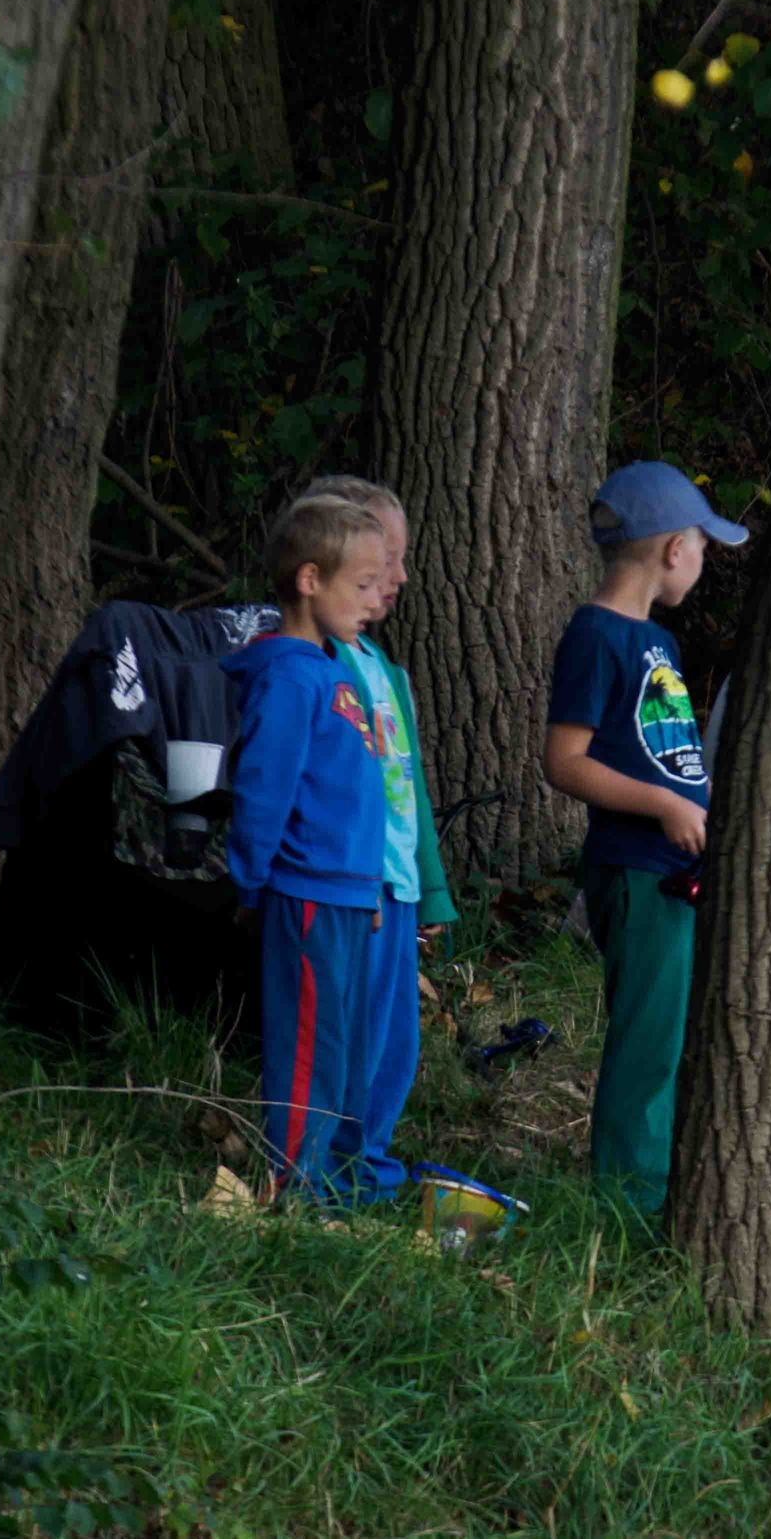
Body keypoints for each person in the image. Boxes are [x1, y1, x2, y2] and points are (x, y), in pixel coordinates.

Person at [543, 460, 745, 1218]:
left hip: (672, 871)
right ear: (673, 549)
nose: (704, 558)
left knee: (672, 1034)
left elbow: (668, 753)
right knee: (647, 1043)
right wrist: (664, 805)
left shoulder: (658, 640)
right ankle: (626, 1208)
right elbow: (565, 760)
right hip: (636, 873)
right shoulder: (597, 635)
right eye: (703, 544)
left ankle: (658, 1183)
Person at [219, 495, 394, 1202]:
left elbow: (352, 796)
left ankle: (331, 1182)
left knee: (344, 1047)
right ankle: (293, 1187)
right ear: (309, 579)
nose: (376, 600)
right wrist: (250, 882)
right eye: (363, 584)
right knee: (309, 1049)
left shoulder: (333, 669)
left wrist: (371, 886)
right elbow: (265, 789)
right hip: (307, 893)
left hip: (350, 894)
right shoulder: (290, 677)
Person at [293, 474, 459, 1200]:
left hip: (397, 887)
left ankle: (368, 1167)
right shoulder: (313, 663)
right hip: (347, 884)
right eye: (385, 559)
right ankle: (325, 1173)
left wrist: (433, 890)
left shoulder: (385, 669)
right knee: (345, 1035)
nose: (399, 576)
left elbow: (410, 791)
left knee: (395, 1042)